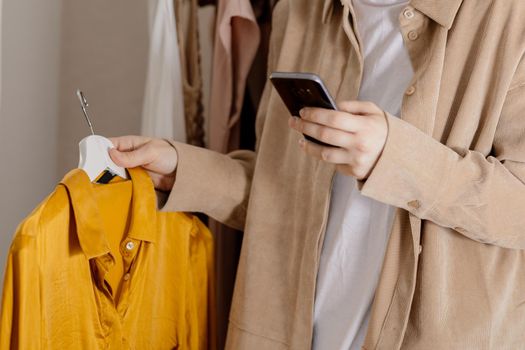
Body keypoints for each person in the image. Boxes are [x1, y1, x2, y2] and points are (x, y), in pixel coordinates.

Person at [109, 0, 525, 349]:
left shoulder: (508, 17)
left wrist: (395, 157)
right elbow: (286, 187)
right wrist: (182, 169)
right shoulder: (298, 9)